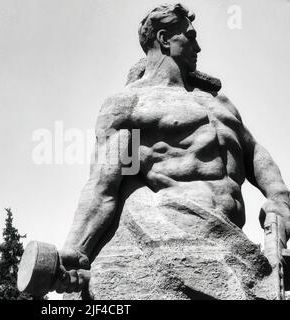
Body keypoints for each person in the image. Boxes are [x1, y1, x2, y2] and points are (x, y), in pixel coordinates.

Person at [53, 3, 290, 299]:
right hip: (174, 238)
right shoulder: (131, 105)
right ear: (164, 39)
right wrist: (76, 249)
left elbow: (253, 152)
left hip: (233, 244)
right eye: (190, 37)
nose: (198, 46)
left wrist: (279, 196)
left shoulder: (219, 103)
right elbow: (104, 186)